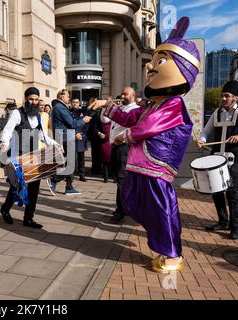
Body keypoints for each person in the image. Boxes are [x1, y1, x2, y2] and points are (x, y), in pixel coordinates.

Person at [98, 17, 200, 273]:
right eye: (153, 61)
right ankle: (164, 248)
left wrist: (125, 137)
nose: (150, 67)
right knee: (139, 203)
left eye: (160, 61)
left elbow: (147, 127)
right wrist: (108, 107)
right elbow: (130, 117)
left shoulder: (173, 103)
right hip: (143, 166)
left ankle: (172, 255)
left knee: (162, 210)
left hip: (156, 166)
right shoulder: (152, 104)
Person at [0, 87, 61, 229]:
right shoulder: (17, 113)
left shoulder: (38, 116)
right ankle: (5, 208)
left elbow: (42, 136)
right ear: (26, 99)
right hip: (19, 154)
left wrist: (55, 144)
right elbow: (7, 130)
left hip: (34, 155)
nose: (33, 102)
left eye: (36, 99)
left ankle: (28, 218)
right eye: (30, 99)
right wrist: (4, 143)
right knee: (17, 185)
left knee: (34, 187)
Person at [197, 80, 238, 240]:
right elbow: (206, 131)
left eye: (227, 96)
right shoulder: (217, 113)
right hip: (217, 159)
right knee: (216, 190)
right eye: (222, 96)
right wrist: (202, 139)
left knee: (233, 193)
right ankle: (223, 221)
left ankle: (235, 227)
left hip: (234, 160)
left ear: (236, 97)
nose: (223, 99)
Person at [49, 89, 92, 195]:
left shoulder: (61, 107)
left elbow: (66, 125)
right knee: (70, 164)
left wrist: (74, 134)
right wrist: (84, 120)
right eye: (67, 96)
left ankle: (69, 186)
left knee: (70, 163)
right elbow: (72, 123)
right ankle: (54, 179)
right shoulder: (60, 107)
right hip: (64, 138)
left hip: (67, 137)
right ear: (61, 96)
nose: (69, 98)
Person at [109, 89, 140, 224]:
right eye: (121, 93)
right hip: (116, 147)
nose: (122, 96)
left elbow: (125, 121)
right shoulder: (122, 108)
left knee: (122, 179)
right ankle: (125, 207)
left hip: (125, 147)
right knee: (119, 179)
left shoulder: (135, 110)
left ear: (133, 96)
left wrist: (108, 104)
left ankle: (121, 210)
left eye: (125, 94)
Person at [71, 98, 89, 181]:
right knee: (72, 157)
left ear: (79, 103)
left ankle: (82, 175)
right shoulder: (68, 112)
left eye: (77, 102)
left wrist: (81, 133)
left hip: (81, 136)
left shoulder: (83, 112)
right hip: (72, 136)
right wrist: (75, 133)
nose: (75, 104)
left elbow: (86, 124)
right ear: (71, 103)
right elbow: (68, 124)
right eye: (73, 102)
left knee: (81, 157)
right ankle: (71, 175)